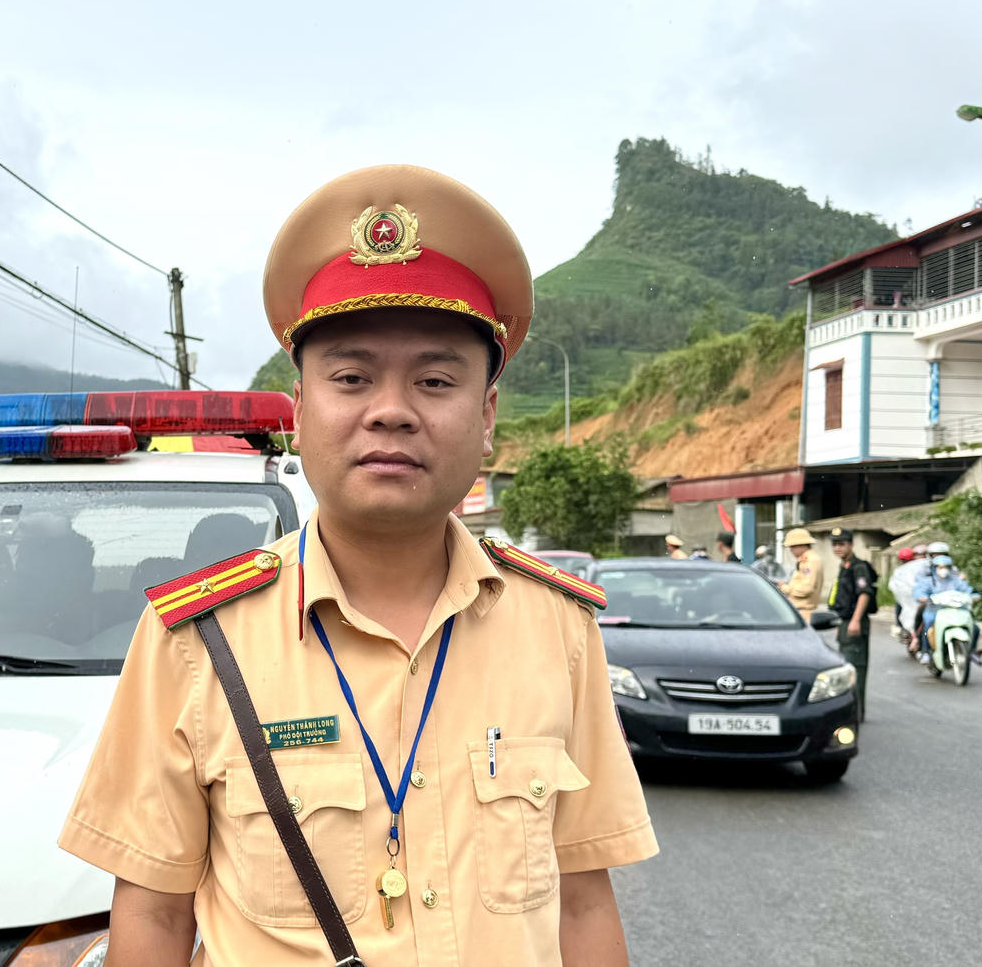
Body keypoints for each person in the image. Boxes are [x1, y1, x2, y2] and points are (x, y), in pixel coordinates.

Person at [58, 165, 658, 967]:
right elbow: (157, 916)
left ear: (485, 418)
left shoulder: (559, 627)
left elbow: (582, 897)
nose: (391, 408)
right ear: (300, 412)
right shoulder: (195, 643)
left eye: (436, 379)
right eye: (350, 376)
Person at [828, 528, 875, 717]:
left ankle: (856, 713)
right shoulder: (844, 566)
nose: (838, 548)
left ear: (851, 545)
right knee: (847, 667)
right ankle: (851, 710)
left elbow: (864, 594)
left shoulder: (858, 567)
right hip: (845, 621)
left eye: (842, 544)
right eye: (835, 544)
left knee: (856, 668)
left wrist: (855, 621)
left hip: (856, 622)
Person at [912, 553, 982, 665]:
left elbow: (967, 590)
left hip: (955, 610)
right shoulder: (929, 581)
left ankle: (971, 651)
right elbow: (919, 592)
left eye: (946, 567)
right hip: (935, 611)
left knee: (974, 627)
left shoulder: (956, 580)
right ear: (935, 568)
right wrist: (923, 597)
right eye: (940, 567)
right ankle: (926, 651)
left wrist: (973, 595)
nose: (943, 570)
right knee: (928, 626)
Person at [777, 527, 824, 623]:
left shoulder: (810, 561)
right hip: (799, 611)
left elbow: (806, 588)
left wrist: (786, 588)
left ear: (801, 545)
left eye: (792, 547)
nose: (790, 550)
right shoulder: (804, 560)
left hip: (804, 612)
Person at [887, 546, 927, 639]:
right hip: (912, 596)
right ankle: (901, 627)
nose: (921, 557)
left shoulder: (930, 565)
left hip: (926, 595)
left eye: (923, 554)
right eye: (918, 555)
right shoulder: (901, 571)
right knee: (900, 604)